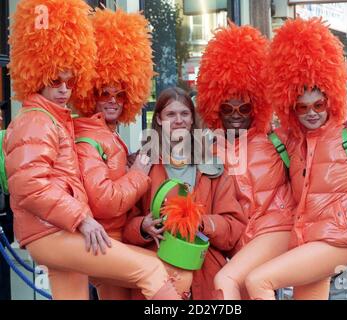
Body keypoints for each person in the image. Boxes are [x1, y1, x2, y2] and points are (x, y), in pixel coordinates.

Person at [5, 0, 181, 300]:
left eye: (70, 81)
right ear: (36, 76)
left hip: (60, 229)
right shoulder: (36, 119)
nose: (64, 89)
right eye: (54, 80)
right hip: (53, 231)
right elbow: (28, 185)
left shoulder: (57, 120)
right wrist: (83, 218)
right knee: (153, 271)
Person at [243, 17, 347, 300]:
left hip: (338, 241)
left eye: (319, 104)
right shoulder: (293, 141)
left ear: (331, 99)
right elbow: (251, 138)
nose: (311, 112)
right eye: (302, 107)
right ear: (290, 108)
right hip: (307, 240)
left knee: (258, 280)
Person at [73, 8, 190, 300]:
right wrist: (139, 171)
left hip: (119, 242)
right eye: (104, 92)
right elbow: (106, 202)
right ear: (90, 92)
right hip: (103, 244)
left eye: (120, 94)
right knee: (169, 277)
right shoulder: (89, 137)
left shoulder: (112, 138)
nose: (113, 101)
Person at [195, 22, 296, 300]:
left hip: (275, 230)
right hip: (235, 242)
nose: (236, 114)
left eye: (244, 107)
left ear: (257, 105)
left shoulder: (277, 140)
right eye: (227, 107)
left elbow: (320, 137)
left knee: (227, 281)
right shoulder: (207, 148)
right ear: (215, 106)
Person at [123, 87, 246, 300]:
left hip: (205, 277)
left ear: (192, 120)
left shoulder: (213, 167)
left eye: (184, 114)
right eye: (171, 114)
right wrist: (143, 226)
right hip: (158, 277)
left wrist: (200, 222)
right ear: (159, 120)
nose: (178, 120)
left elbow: (233, 228)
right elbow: (124, 225)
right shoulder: (143, 164)